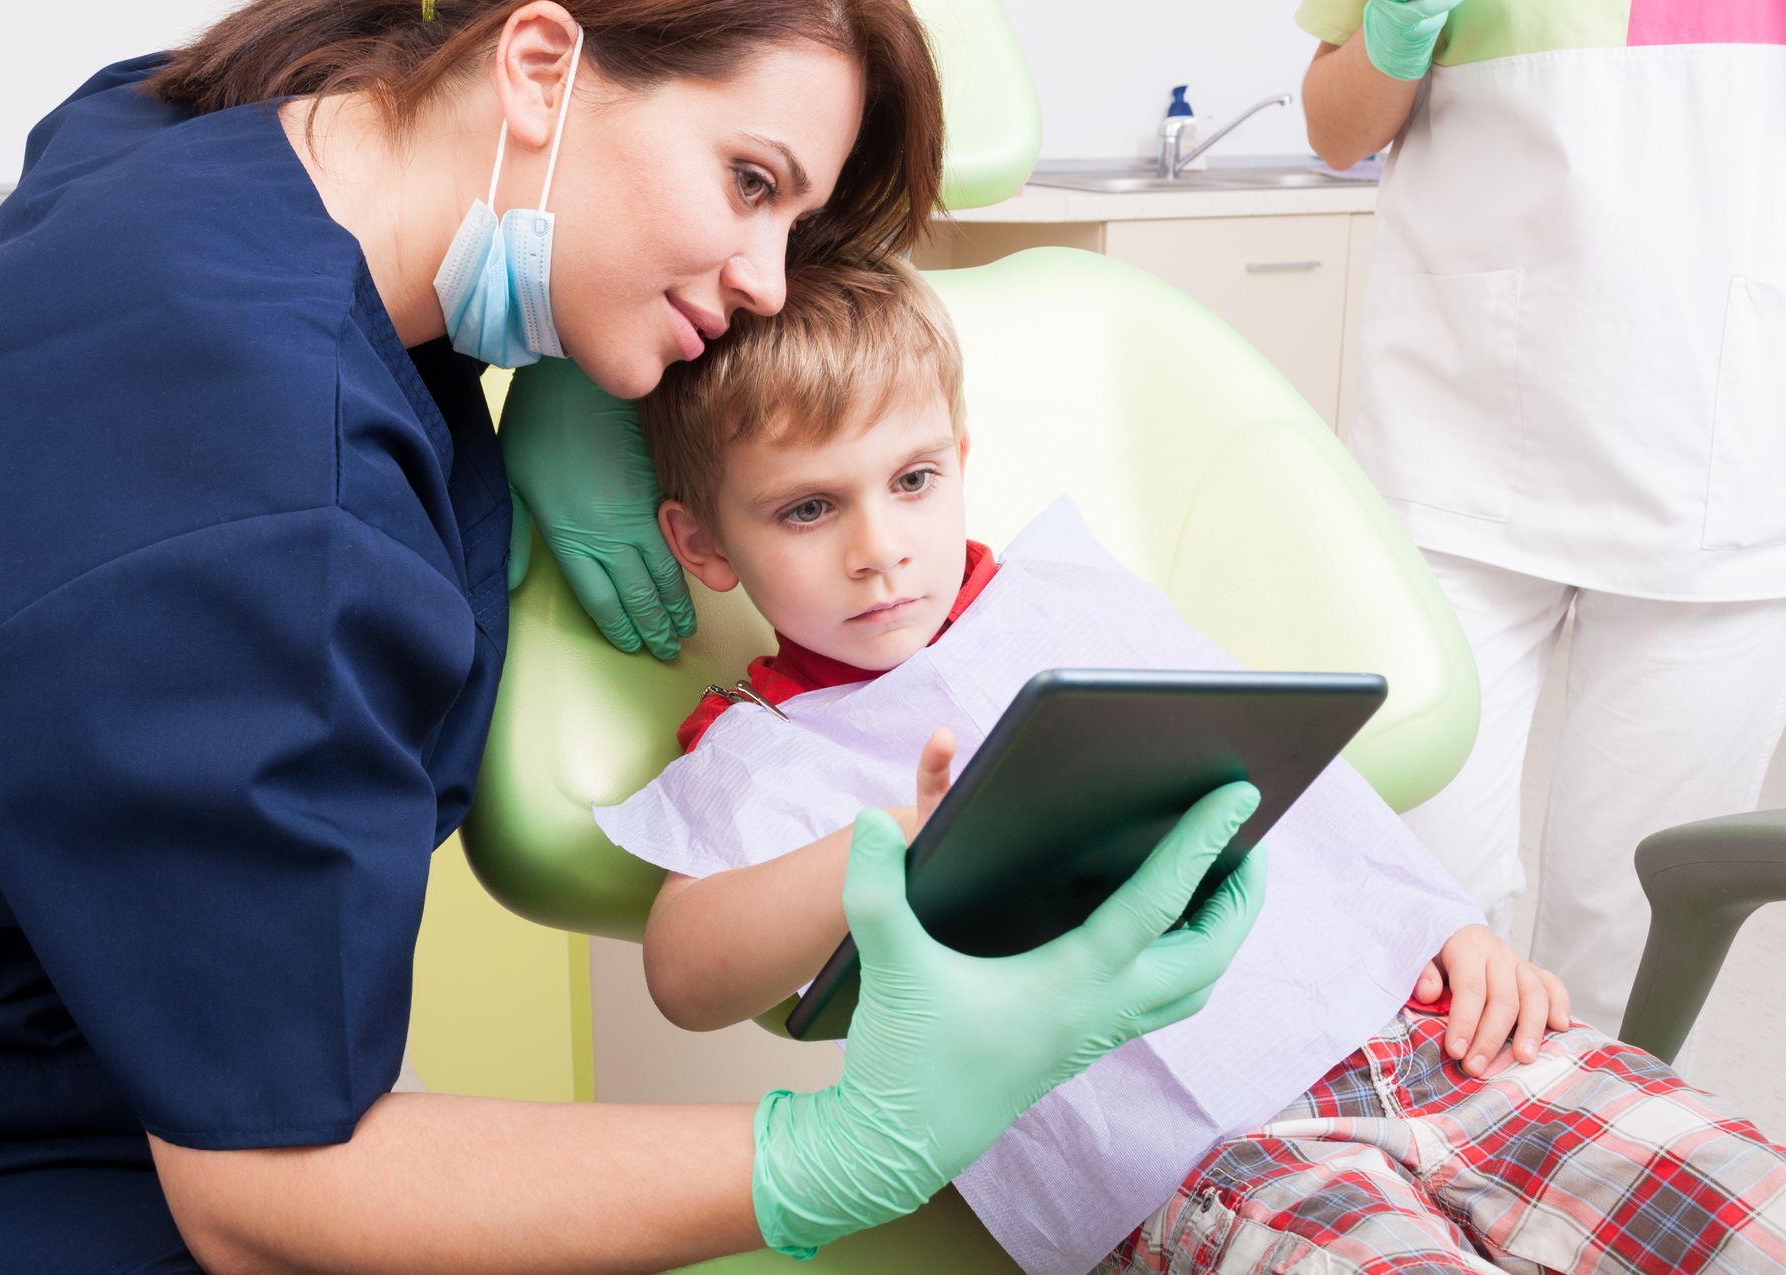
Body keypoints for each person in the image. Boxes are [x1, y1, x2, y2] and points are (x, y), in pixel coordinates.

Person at [0, 4, 1269, 1270]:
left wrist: (540, 350)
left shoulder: (213, 131)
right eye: (748, 180)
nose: (769, 280)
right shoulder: (268, 497)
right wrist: (840, 1148)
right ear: (538, 63)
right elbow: (265, 1189)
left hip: (81, 998)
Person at [624, 254, 1786, 1273]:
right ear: (703, 545)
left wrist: (1447, 925)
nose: (881, 550)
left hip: (1422, 1034)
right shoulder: (764, 750)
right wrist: (898, 843)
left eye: (914, 481)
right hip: (1187, 1156)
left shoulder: (1070, 598)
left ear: (962, 459)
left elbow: (1290, 780)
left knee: (1747, 1203)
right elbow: (686, 972)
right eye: (809, 509)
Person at [1296, 1, 1786, 1038]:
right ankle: (1403, 1189)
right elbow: (1335, 127)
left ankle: (1575, 1192)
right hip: (1457, 450)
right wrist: (1397, 29)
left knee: (1632, 939)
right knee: (1420, 920)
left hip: (1729, 473)